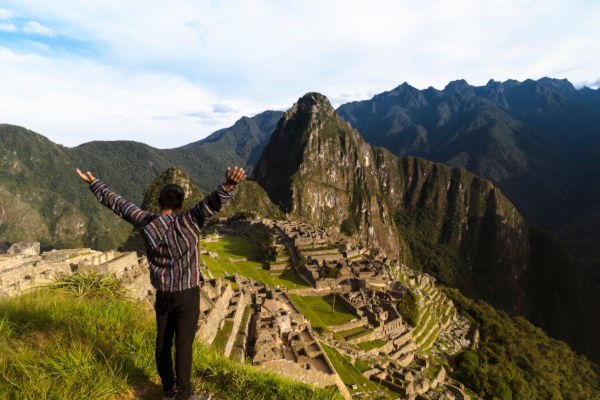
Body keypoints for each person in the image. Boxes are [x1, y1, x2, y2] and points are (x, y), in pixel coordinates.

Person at [76, 166, 246, 400]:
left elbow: (119, 205)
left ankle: (168, 388)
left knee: (163, 343)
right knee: (183, 345)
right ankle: (184, 394)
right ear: (181, 205)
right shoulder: (190, 221)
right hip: (187, 294)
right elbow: (212, 203)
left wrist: (95, 184)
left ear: (157, 201)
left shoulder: (146, 222)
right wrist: (229, 185)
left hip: (164, 294)